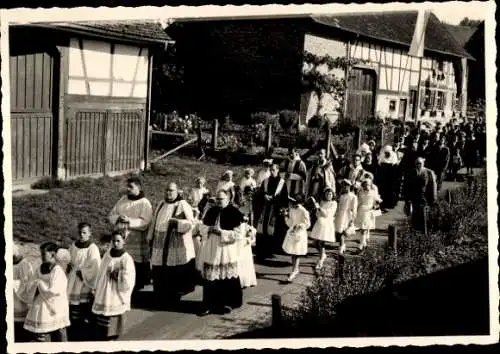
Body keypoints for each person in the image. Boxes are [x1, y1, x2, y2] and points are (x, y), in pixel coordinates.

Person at [147, 182, 197, 309]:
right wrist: (150, 236)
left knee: (173, 270)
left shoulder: (182, 204)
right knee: (159, 268)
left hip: (175, 242)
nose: (168, 193)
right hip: (160, 242)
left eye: (171, 191)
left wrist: (178, 224)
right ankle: (159, 296)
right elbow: (154, 220)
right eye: (167, 190)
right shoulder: (161, 203)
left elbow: (191, 223)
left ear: (177, 192)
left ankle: (172, 298)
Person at [197, 189, 244, 316]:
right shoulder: (211, 210)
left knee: (227, 277)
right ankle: (208, 304)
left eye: (221, 199)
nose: (218, 201)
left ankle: (229, 303)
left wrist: (222, 233)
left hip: (226, 249)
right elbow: (201, 226)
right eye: (217, 199)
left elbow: (239, 234)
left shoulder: (234, 212)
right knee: (210, 277)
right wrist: (208, 229)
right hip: (212, 247)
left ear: (228, 200)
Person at [108, 177, 153, 295]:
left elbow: (146, 221)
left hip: (136, 237)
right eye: (127, 187)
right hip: (121, 236)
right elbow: (112, 214)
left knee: (134, 262)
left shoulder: (144, 202)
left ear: (139, 187)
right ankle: (119, 282)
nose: (128, 189)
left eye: (131, 187)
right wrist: (118, 218)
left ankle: (136, 287)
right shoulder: (123, 199)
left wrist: (129, 221)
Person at [92, 231, 136, 341]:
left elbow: (129, 276)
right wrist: (96, 286)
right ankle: (102, 334)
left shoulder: (126, 258)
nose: (115, 243)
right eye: (113, 241)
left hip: (117, 290)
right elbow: (101, 270)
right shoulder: (107, 254)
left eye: (118, 241)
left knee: (114, 313)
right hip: (105, 288)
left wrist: (117, 274)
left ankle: (113, 335)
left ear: (124, 242)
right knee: (103, 313)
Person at [24, 242, 70, 342]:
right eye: (41, 254)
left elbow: (55, 290)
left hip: (54, 305)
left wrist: (40, 284)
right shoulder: (39, 268)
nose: (41, 257)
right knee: (43, 332)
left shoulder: (57, 270)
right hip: (41, 304)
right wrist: (35, 285)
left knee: (59, 330)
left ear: (53, 254)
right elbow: (30, 284)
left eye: (44, 254)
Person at [66, 222, 101, 341]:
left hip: (84, 280)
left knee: (83, 303)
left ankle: (85, 328)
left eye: (84, 232)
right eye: (80, 232)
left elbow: (95, 265)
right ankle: (74, 325)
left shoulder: (92, 248)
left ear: (89, 234)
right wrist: (69, 265)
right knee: (73, 303)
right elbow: (69, 259)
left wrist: (83, 272)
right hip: (73, 278)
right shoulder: (74, 245)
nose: (81, 235)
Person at [254, 163, 289, 259]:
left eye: (274, 169)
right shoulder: (265, 181)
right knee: (262, 228)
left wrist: (274, 199)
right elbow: (260, 194)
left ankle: (272, 250)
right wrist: (264, 196)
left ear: (278, 170)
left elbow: (284, 198)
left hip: (275, 209)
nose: (272, 171)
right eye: (271, 169)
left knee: (274, 230)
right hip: (265, 208)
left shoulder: (282, 183)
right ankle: (261, 250)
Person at [403, 157, 437, 234]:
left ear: (423, 163)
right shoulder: (410, 172)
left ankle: (424, 232)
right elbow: (406, 186)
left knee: (424, 215)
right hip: (414, 197)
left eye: (420, 163)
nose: (418, 165)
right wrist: (407, 199)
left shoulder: (429, 172)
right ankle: (415, 232)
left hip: (425, 197)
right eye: (417, 163)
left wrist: (433, 198)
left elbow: (433, 186)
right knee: (414, 215)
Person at [282, 195, 311, 282]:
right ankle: (295, 269)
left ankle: (294, 270)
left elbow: (307, 223)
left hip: (300, 233)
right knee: (292, 251)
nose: (291, 203)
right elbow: (290, 222)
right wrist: (286, 217)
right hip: (292, 231)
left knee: (297, 252)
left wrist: (299, 226)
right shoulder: (291, 210)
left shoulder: (303, 211)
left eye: (292, 202)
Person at [309, 187, 337, 271]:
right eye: (327, 194)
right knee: (314, 242)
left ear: (332, 195)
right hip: (319, 223)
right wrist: (317, 209)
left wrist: (320, 208)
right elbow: (318, 214)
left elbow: (327, 214)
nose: (328, 195)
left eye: (330, 194)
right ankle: (323, 254)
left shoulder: (334, 203)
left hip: (327, 224)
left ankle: (321, 260)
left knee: (321, 242)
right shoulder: (322, 202)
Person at [13, 242, 35, 342]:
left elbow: (29, 283)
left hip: (21, 300)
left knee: (20, 325)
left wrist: (14, 283)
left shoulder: (25, 265)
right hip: (11, 299)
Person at [237, 188, 257, 288]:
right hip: (239, 232)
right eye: (247, 194)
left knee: (246, 257)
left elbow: (251, 221)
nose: (249, 196)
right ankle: (240, 279)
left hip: (246, 231)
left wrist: (250, 230)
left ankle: (247, 279)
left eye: (251, 194)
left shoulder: (252, 206)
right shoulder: (239, 208)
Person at [355, 179, 382, 251]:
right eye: (365, 185)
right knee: (362, 228)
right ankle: (363, 243)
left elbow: (378, 201)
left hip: (369, 211)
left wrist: (375, 205)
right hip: (361, 211)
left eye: (368, 185)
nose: (367, 186)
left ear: (370, 185)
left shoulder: (373, 193)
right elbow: (358, 202)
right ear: (363, 186)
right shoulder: (360, 193)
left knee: (365, 228)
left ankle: (361, 244)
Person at [335, 180, 358, 256]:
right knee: (339, 232)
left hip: (347, 215)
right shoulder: (341, 196)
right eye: (343, 186)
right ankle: (342, 245)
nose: (345, 187)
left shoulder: (353, 196)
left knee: (343, 232)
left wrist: (352, 220)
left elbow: (354, 209)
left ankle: (341, 247)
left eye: (347, 186)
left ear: (349, 186)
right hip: (340, 215)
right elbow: (338, 206)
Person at [377, 145, 400, 211]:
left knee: (389, 191)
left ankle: (389, 205)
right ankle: (383, 205)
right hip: (383, 176)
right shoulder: (382, 156)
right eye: (386, 152)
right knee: (383, 190)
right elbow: (379, 165)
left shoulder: (394, 156)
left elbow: (395, 167)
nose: (387, 154)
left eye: (388, 153)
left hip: (391, 176)